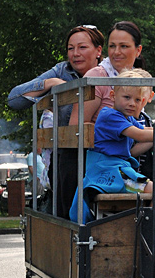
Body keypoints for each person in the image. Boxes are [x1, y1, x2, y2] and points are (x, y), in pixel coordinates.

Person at [69, 71, 155, 221]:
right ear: (113, 96)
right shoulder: (110, 115)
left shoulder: (124, 117)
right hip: (108, 172)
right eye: (127, 97)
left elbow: (144, 134)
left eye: (137, 100)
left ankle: (145, 229)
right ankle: (151, 234)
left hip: (115, 170)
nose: (132, 103)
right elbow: (140, 135)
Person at [8, 24, 105, 217]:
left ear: (98, 51)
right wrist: (51, 83)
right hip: (66, 161)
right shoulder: (62, 70)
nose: (75, 53)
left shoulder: (109, 72)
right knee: (67, 218)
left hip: (104, 156)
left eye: (82, 47)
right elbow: (14, 99)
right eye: (71, 48)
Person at [70, 20, 145, 126]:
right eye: (112, 46)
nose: (116, 52)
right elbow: (75, 127)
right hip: (102, 142)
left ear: (138, 50)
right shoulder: (96, 76)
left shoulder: (139, 77)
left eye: (123, 46)